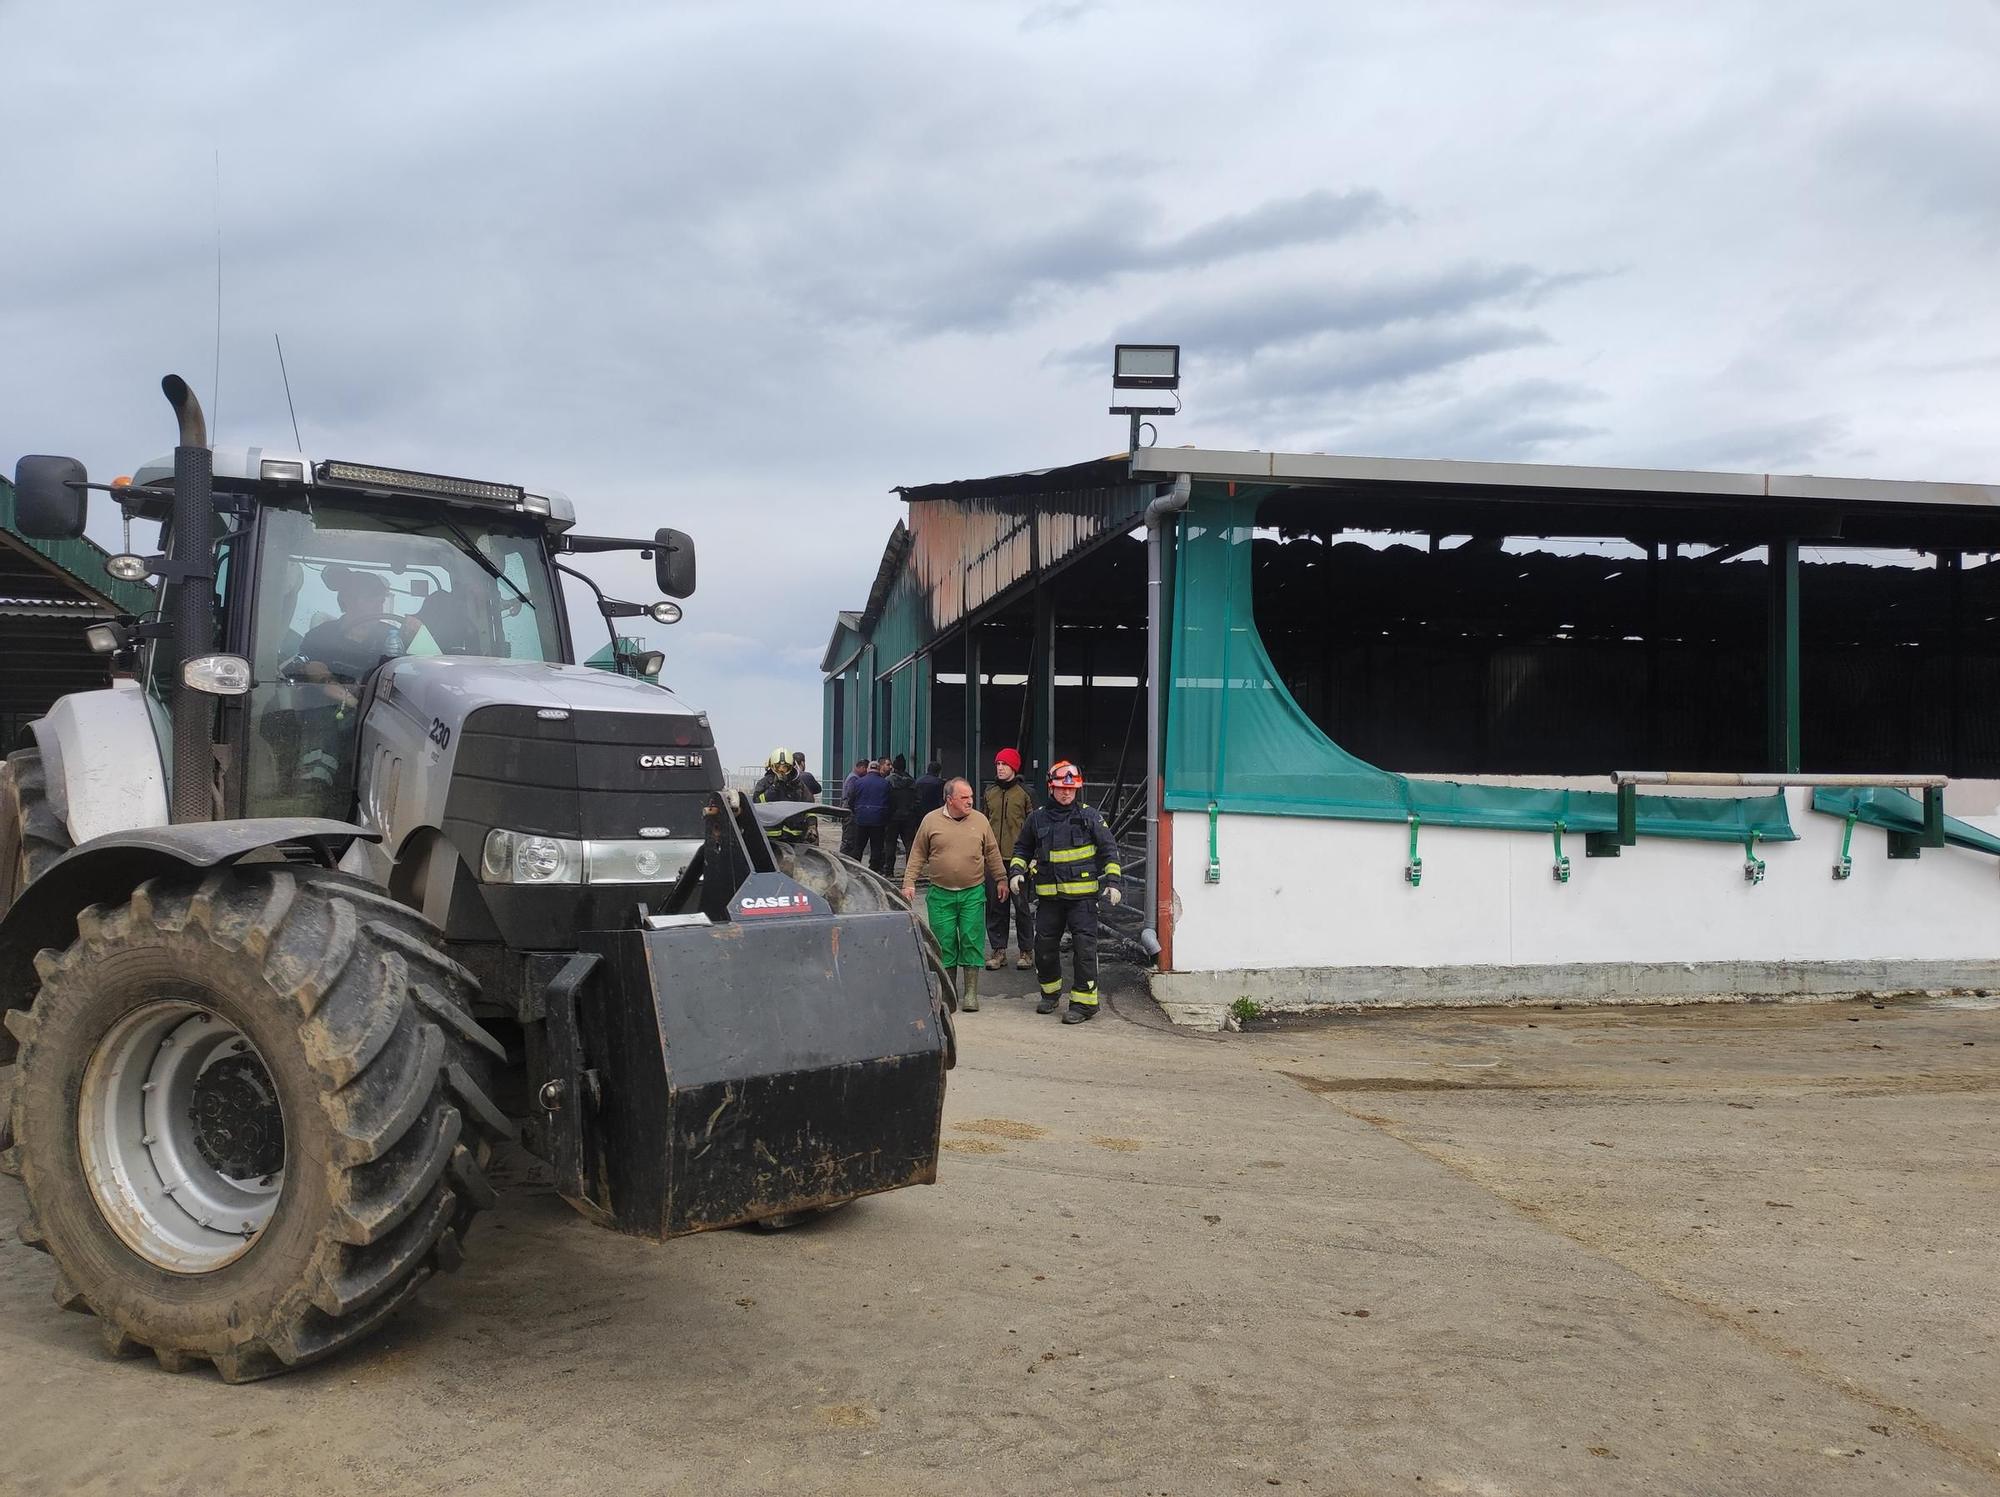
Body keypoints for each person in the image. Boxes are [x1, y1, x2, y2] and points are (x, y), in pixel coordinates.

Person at [1009, 759, 1121, 1024]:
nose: (1066, 792)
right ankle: (1049, 995)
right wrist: (1016, 872)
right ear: (1051, 787)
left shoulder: (1089, 817)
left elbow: (1109, 850)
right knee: (1045, 948)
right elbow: (1022, 849)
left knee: (1084, 951)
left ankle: (1084, 1005)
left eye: (1071, 789)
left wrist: (1114, 882)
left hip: (1082, 900)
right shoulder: (1036, 818)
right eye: (1061, 788)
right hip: (1049, 899)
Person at [901, 777, 1005, 1014]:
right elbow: (917, 853)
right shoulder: (930, 821)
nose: (970, 801)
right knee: (944, 942)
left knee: (971, 938)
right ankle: (950, 993)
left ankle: (970, 993)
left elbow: (992, 851)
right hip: (940, 894)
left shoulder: (980, 821)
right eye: (964, 797)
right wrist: (909, 882)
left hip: (972, 893)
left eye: (971, 796)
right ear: (949, 799)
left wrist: (1001, 879)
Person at [982, 747, 1037, 971]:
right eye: (998, 764)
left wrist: (1035, 857)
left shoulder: (1026, 793)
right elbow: (983, 823)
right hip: (993, 859)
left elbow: (1035, 826)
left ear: (1014, 767)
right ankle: (999, 951)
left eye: (1005, 764)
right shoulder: (989, 793)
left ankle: (1026, 951)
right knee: (996, 906)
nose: (1000, 768)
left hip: (1019, 860)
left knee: (1022, 906)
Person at [753, 746, 813, 844]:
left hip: (795, 838)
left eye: (785, 767)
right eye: (778, 766)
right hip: (771, 838)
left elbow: (810, 807)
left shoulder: (798, 785)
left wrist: (812, 826)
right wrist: (774, 788)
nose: (781, 770)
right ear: (772, 766)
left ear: (791, 766)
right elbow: (757, 803)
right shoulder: (764, 783)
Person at [848, 758, 892, 874]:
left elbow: (851, 800)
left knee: (858, 846)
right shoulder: (885, 783)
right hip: (878, 820)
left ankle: (855, 869)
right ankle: (874, 870)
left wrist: (856, 811)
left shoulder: (858, 782)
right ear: (878, 769)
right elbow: (891, 802)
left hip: (861, 819)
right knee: (876, 847)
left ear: (868, 769)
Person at [886, 754, 920, 868]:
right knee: (909, 843)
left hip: (892, 817)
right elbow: (918, 800)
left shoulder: (888, 781)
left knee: (890, 843)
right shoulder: (912, 781)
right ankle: (910, 869)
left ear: (894, 767)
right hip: (908, 817)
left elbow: (885, 799)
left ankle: (889, 869)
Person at [839, 758, 869, 855]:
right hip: (849, 812)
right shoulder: (854, 779)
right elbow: (851, 795)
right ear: (861, 767)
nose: (867, 772)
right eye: (866, 769)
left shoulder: (852, 777)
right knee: (848, 839)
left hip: (848, 810)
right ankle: (843, 860)